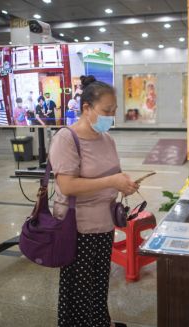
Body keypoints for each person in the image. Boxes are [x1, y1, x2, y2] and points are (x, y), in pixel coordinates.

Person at [49, 75, 139, 327]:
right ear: (86, 108)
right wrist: (112, 182)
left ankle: (100, 321)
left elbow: (110, 176)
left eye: (114, 111)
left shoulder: (106, 139)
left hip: (104, 223)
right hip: (77, 227)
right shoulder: (67, 139)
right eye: (106, 111)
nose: (111, 116)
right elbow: (67, 185)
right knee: (78, 288)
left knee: (99, 282)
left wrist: (124, 185)